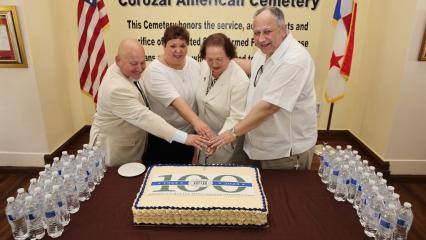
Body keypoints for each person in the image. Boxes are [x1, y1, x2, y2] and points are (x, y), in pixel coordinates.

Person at [209, 7, 317, 170]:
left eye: (267, 31)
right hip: (255, 143)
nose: (261, 39)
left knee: (278, 195)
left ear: (283, 29)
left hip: (283, 153)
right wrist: (222, 61)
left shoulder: (294, 60)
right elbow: (254, 67)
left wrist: (232, 133)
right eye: (256, 33)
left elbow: (269, 107)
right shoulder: (266, 51)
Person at [89, 38, 208, 167]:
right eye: (134, 64)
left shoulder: (126, 70)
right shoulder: (116, 89)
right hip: (116, 149)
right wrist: (186, 138)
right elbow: (146, 118)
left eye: (142, 62)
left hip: (137, 141)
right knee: (118, 184)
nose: (140, 68)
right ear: (118, 60)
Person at [142, 25, 214, 165]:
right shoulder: (155, 72)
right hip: (164, 137)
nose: (178, 50)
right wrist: (198, 123)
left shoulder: (193, 64)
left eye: (183, 45)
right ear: (163, 45)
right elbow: (177, 102)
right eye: (173, 45)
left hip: (189, 135)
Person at [195, 33, 249, 164]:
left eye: (219, 59)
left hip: (225, 142)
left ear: (230, 56)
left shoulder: (240, 80)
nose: (214, 64)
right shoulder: (203, 66)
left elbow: (236, 117)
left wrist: (217, 140)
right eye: (209, 59)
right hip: (204, 139)